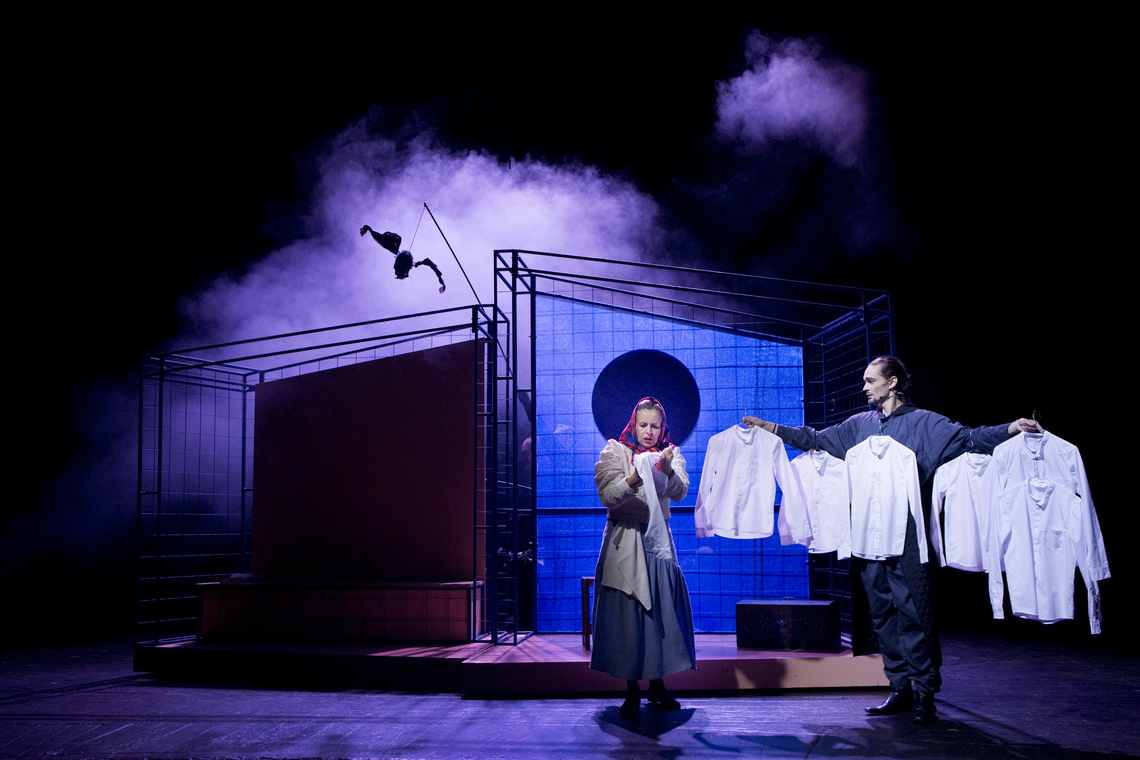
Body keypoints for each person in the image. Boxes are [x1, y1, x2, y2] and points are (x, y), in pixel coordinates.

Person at [744, 356, 1040, 724]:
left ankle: (925, 690)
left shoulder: (925, 423)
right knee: (882, 613)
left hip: (907, 537)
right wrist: (771, 427)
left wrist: (1010, 428)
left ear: (893, 382)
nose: (865, 387)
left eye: (871, 381)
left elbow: (969, 438)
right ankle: (899, 686)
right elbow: (816, 440)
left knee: (913, 612)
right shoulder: (860, 426)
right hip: (867, 537)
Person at [592, 397, 696, 718]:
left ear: (662, 428)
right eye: (643, 425)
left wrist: (666, 470)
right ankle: (632, 689)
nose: (649, 432)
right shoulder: (615, 451)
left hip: (657, 542)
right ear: (633, 425)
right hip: (624, 539)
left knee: (659, 613)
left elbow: (680, 491)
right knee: (627, 615)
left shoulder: (671, 454)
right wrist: (637, 476)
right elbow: (608, 496)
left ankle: (657, 683)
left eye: (655, 426)